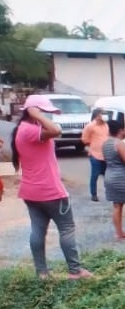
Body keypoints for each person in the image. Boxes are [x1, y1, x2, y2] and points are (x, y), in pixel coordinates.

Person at [10, 94, 93, 280]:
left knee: (38, 230)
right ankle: (75, 270)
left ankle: (42, 272)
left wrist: (37, 116)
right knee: (66, 229)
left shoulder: (23, 130)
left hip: (31, 191)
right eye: (44, 112)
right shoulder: (30, 129)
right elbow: (57, 130)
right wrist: (36, 115)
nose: (48, 116)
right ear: (32, 111)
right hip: (50, 191)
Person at [81, 108, 110, 201]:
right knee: (95, 175)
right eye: (102, 113)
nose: (104, 116)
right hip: (95, 154)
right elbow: (85, 139)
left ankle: (109, 194)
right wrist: (94, 144)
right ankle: (94, 194)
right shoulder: (90, 126)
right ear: (97, 115)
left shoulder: (106, 125)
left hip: (106, 155)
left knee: (108, 175)